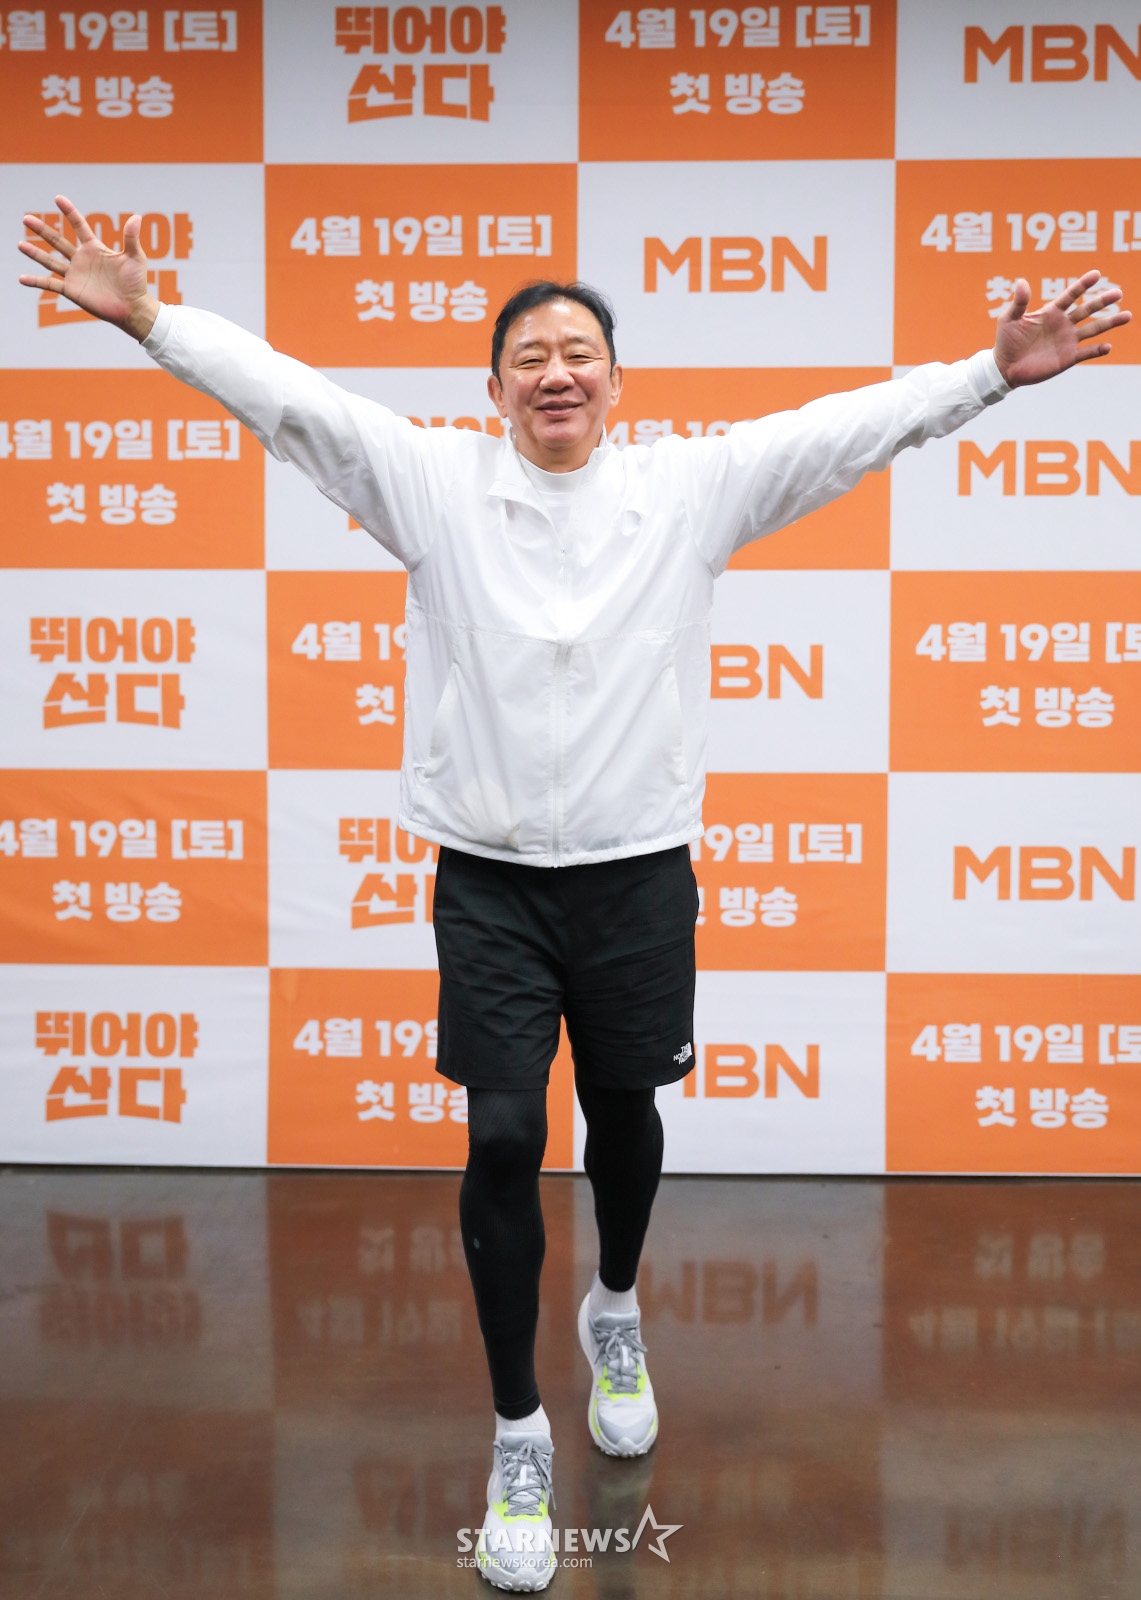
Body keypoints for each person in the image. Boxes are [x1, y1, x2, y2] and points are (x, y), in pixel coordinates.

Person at [19, 197, 1129, 1593]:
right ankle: (516, 1437)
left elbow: (846, 430)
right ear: (493, 389)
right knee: (498, 1135)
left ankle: (614, 1308)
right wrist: (151, 321)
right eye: (529, 356)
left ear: (616, 381)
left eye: (578, 353)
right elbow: (293, 403)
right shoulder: (432, 483)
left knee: (623, 1118)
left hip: (634, 876)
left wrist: (988, 375)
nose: (556, 373)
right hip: (489, 881)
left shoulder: (689, 490)